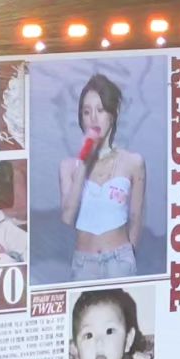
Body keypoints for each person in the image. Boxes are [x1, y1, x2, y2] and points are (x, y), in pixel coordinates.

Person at [59, 72, 146, 280]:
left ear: (113, 114)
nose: (93, 118)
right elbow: (68, 216)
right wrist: (84, 159)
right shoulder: (68, 167)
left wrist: (128, 258)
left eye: (100, 110)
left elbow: (136, 217)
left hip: (119, 261)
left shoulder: (133, 162)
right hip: (83, 263)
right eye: (86, 112)